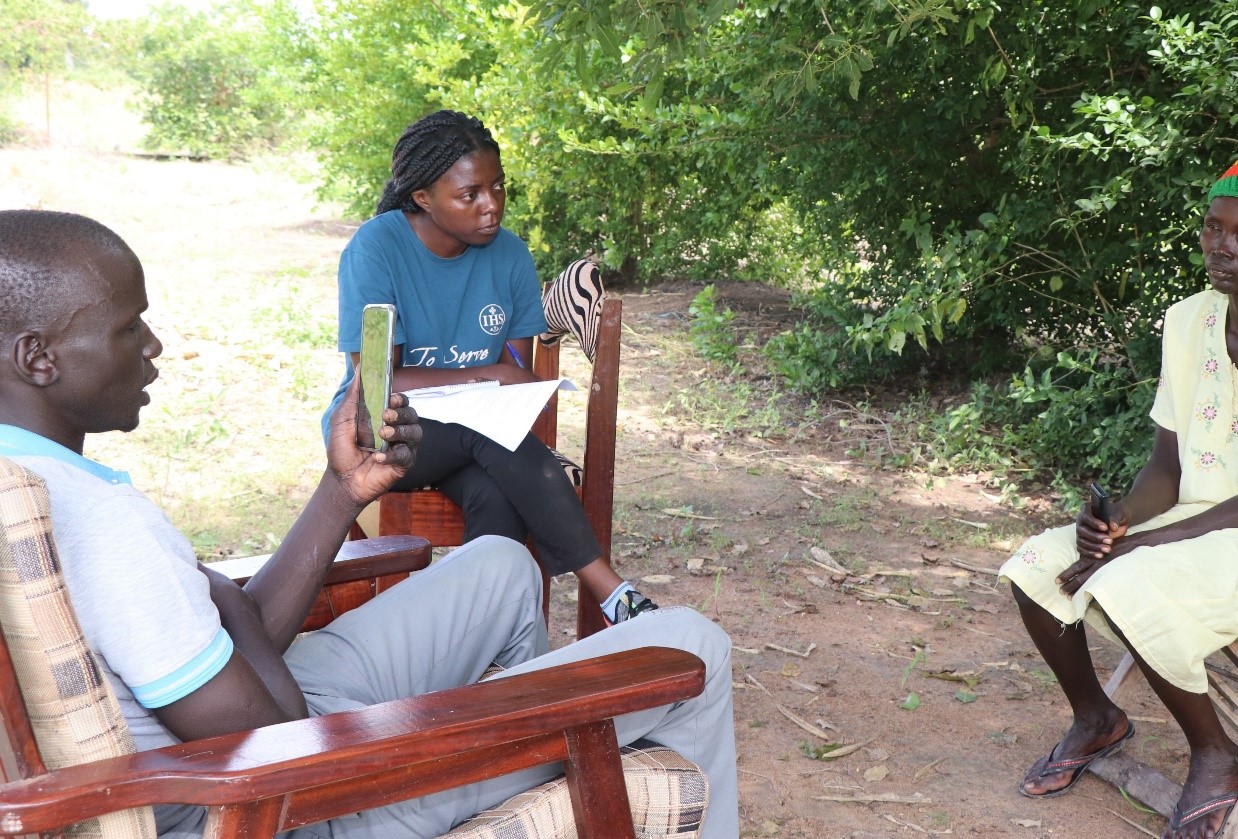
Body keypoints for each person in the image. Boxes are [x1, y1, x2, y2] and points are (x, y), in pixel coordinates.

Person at [0, 209, 737, 839]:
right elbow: (276, 730)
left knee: (502, 567)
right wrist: (223, 600)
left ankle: (502, 742)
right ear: (38, 358)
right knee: (691, 645)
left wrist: (341, 489)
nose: (154, 345)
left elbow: (229, 647)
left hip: (242, 719)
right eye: (130, 328)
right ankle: (501, 752)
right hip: (284, 796)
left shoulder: (29, 474)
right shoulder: (103, 525)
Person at [999, 154, 1238, 839]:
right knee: (1038, 562)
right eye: (1212, 228)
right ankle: (1096, 717)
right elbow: (1165, 469)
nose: (1221, 246)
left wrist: (1142, 545)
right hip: (1197, 520)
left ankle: (1217, 754)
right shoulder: (1186, 321)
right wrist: (1117, 522)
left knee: (1135, 577)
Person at [321, 109, 655, 625]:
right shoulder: (376, 249)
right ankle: (613, 593)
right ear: (421, 198)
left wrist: (497, 379)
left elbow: (515, 371)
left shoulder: (510, 256)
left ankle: (482, 646)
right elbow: (378, 385)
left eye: (498, 187)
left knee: (495, 490)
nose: (490, 207)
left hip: (476, 440)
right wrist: (487, 376)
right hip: (382, 432)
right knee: (487, 435)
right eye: (469, 194)